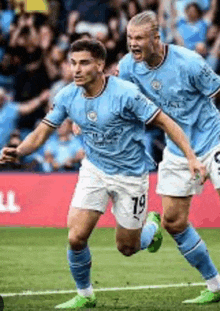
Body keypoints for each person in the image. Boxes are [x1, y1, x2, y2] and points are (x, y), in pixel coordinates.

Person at [1, 39, 205, 309]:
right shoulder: (66, 95)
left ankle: (151, 228)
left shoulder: (126, 94)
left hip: (130, 176)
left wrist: (191, 157)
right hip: (94, 169)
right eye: (72, 63)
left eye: (84, 62)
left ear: (100, 65)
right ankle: (85, 295)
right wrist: (19, 151)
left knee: (127, 248)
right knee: (75, 236)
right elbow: (41, 133)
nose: (76, 69)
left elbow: (166, 122)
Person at [118, 10, 220, 304]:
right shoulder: (128, 67)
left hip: (213, 140)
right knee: (173, 222)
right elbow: (121, 100)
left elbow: (217, 91)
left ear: (156, 38)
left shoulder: (188, 62)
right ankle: (215, 285)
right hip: (176, 149)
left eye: (139, 38)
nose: (133, 44)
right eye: (129, 38)